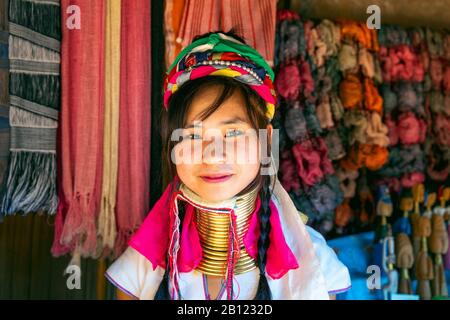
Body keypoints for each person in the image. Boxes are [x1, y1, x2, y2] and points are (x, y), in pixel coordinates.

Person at [105, 31, 351, 300]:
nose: (212, 156)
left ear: (266, 141)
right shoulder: (143, 264)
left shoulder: (312, 263)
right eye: (193, 136)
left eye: (233, 134)